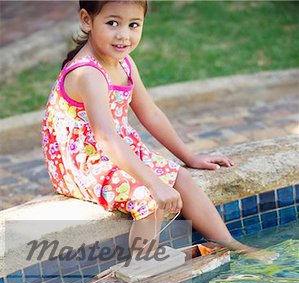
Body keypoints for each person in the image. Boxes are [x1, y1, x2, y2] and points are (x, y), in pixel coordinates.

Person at [42, 0, 274, 261]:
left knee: (181, 177)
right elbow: (105, 137)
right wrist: (154, 184)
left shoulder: (124, 63)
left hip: (116, 150)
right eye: (112, 23)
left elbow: (150, 113)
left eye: (133, 25)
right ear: (87, 20)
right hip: (83, 163)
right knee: (148, 200)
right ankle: (144, 271)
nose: (123, 35)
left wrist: (190, 158)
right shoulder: (88, 73)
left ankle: (230, 243)